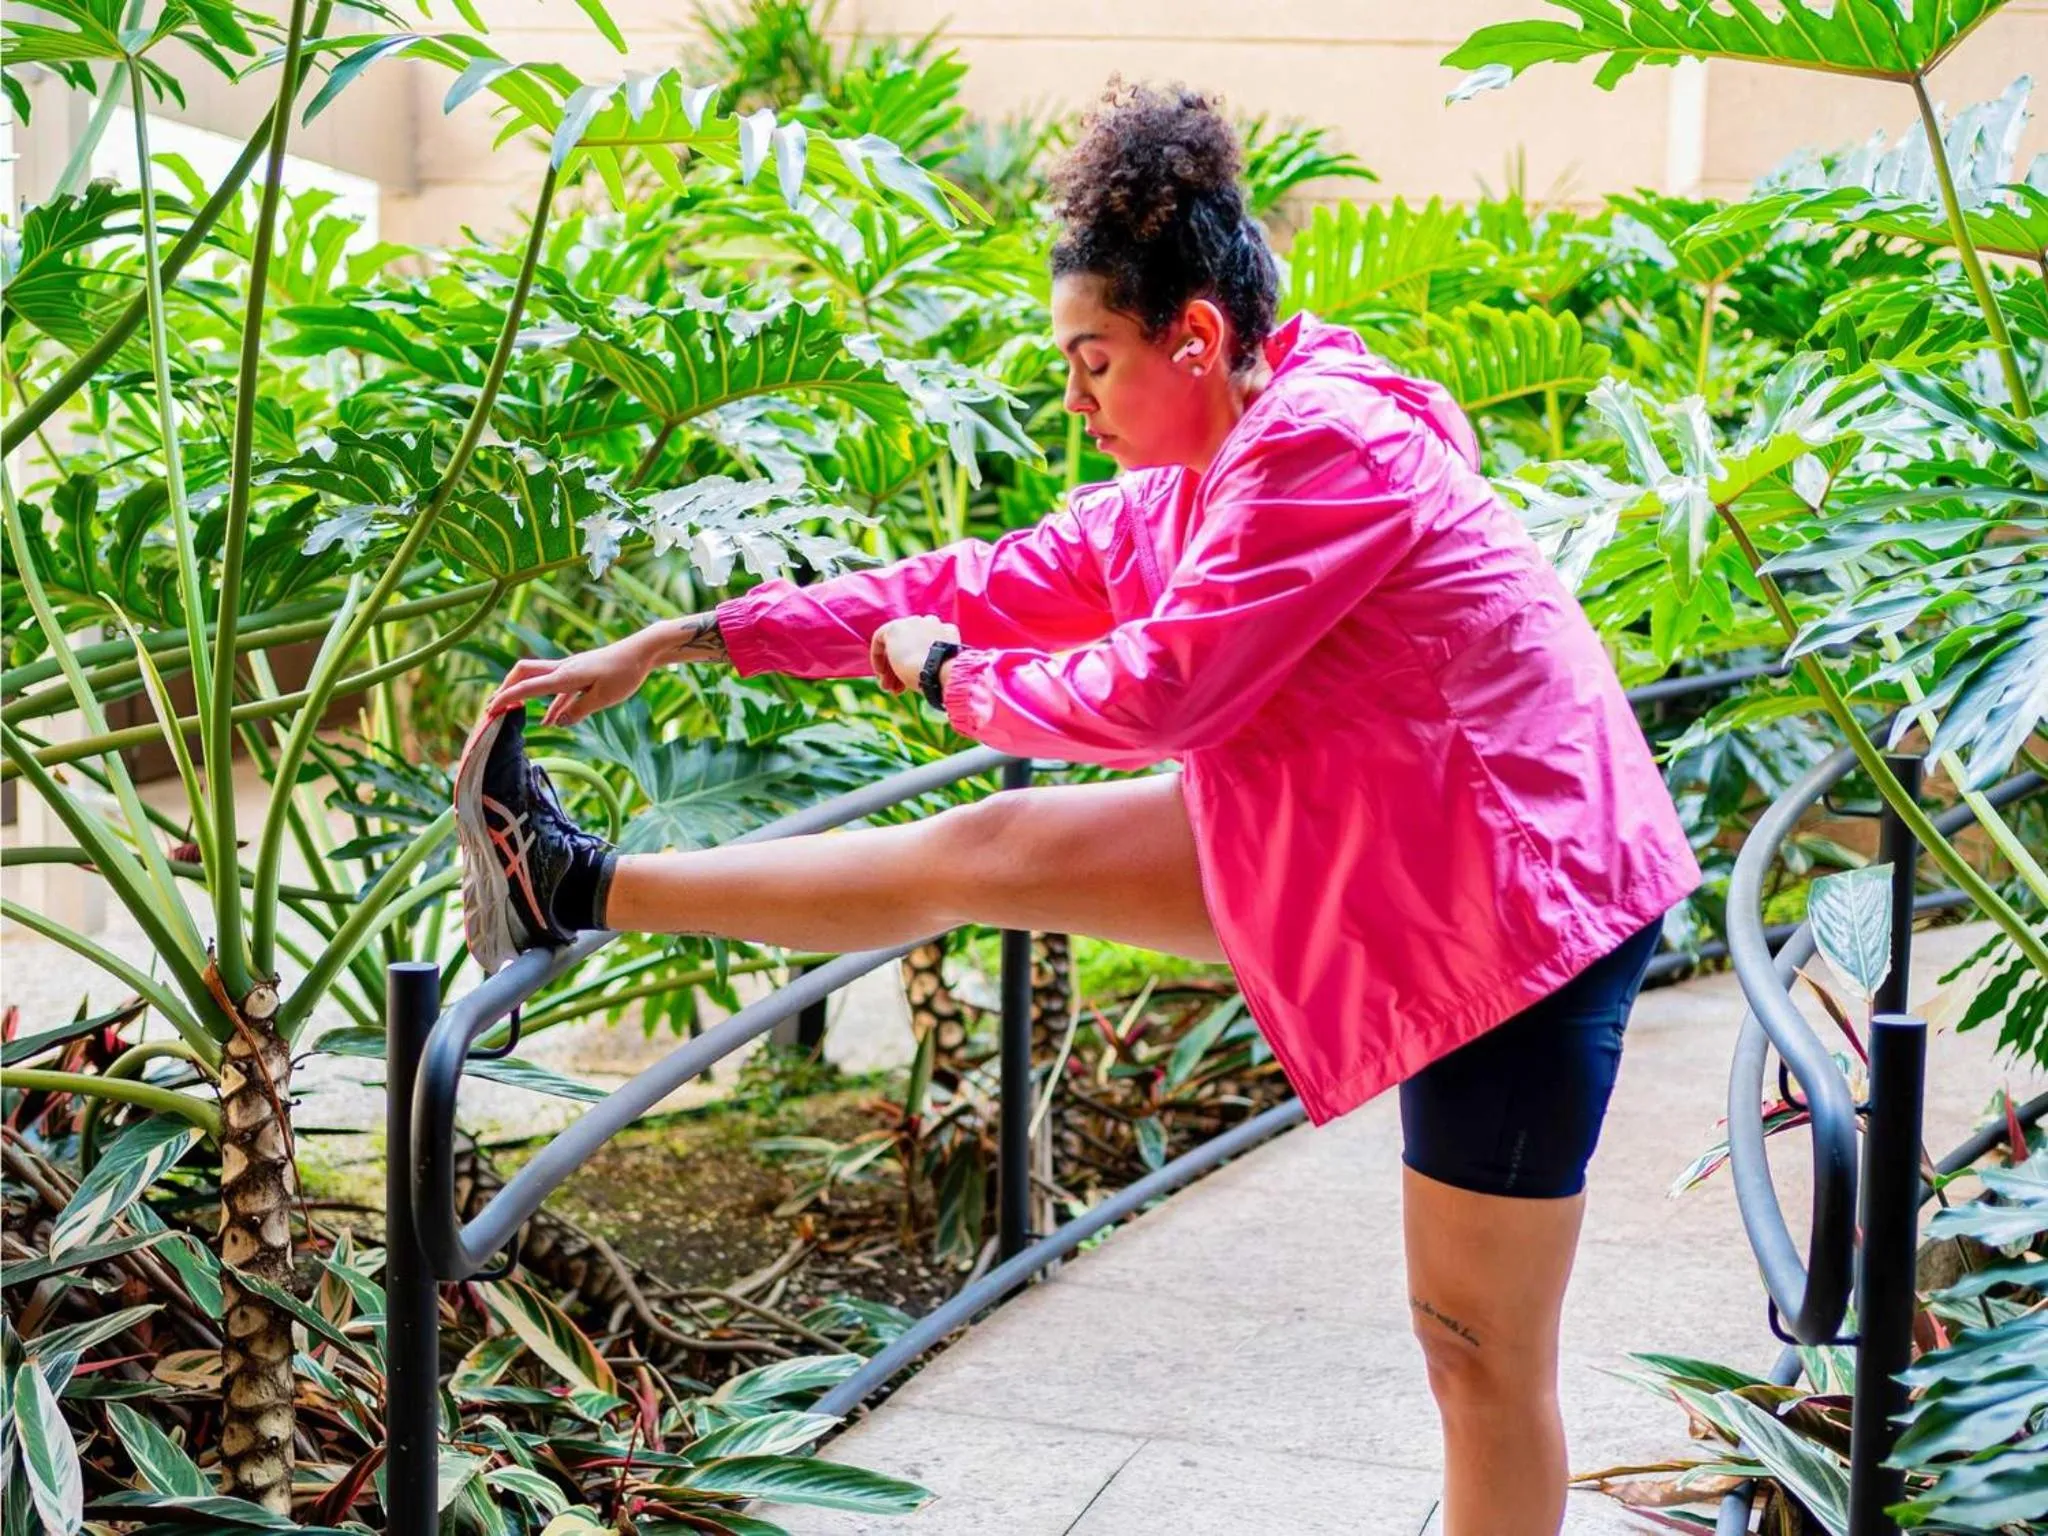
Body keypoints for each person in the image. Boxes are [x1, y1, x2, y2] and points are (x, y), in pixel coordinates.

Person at [454, 79, 1701, 1536]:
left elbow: (1155, 694)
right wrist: (686, 638)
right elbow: (962, 584)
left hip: (1514, 906)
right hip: (1389, 825)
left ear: (1199, 338)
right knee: (990, 847)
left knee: (1477, 1353)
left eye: (1092, 359)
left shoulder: (1326, 448)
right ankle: (572, 883)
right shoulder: (1199, 479)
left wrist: (955, 686)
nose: (1076, 395)